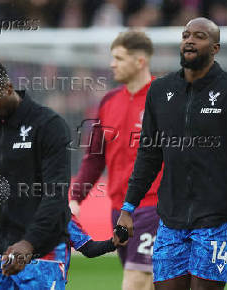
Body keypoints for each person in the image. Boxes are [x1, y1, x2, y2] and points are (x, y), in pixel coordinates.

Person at [116, 18, 227, 290]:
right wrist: (128, 207)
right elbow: (149, 154)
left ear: (215, 48)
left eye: (199, 36)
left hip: (217, 221)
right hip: (171, 220)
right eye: (186, 35)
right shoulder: (160, 91)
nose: (190, 40)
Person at [0, 60, 72, 289]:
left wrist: (29, 244)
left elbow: (56, 195)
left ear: (8, 88)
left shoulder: (49, 125)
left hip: (41, 251)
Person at [69, 31, 161, 290]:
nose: (112, 64)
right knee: (153, 282)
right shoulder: (109, 101)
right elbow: (94, 158)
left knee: (137, 280)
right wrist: (76, 198)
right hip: (119, 210)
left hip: (154, 207)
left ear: (140, 61)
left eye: (119, 58)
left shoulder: (163, 98)